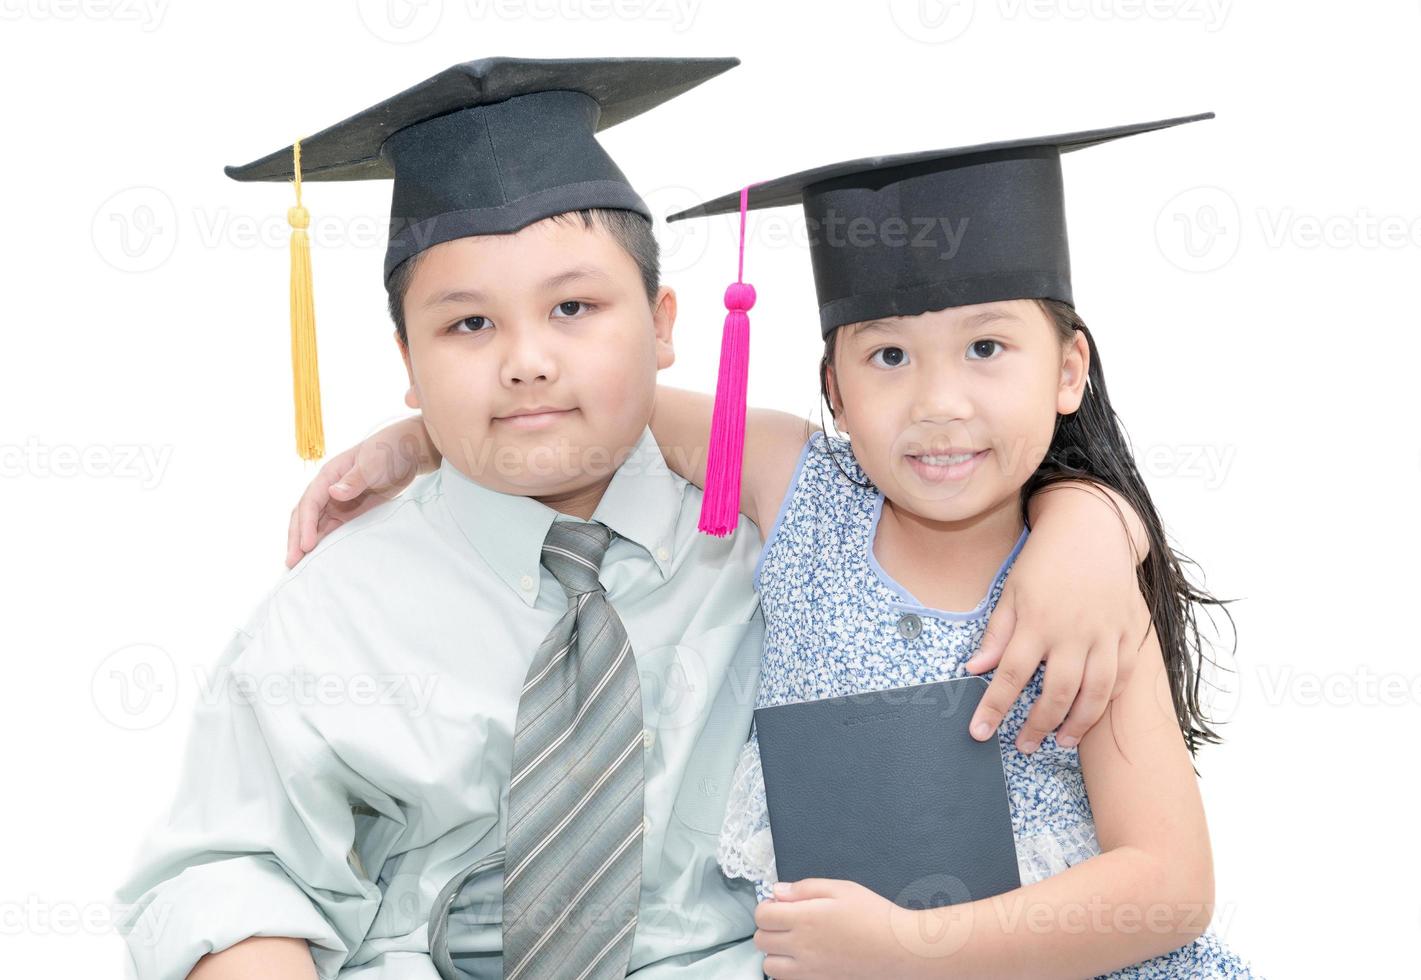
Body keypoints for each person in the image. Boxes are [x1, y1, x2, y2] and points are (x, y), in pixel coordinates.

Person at [123, 56, 1157, 980]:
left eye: (574, 309)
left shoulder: (781, 543)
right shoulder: (337, 607)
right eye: (468, 324)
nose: (526, 358)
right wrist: (424, 439)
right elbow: (232, 874)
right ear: (404, 363)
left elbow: (967, 503)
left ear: (664, 329)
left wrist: (1092, 516)